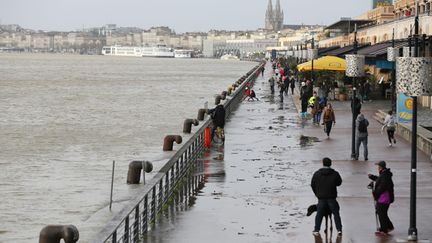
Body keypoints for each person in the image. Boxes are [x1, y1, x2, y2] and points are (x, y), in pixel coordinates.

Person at [311, 157, 343, 236]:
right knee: (336, 213)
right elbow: (339, 183)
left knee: (319, 214)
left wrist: (317, 193)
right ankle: (339, 230)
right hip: (332, 197)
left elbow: (312, 184)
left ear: (323, 163)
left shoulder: (317, 173)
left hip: (321, 198)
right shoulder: (335, 173)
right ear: (330, 164)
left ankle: (316, 229)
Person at [368, 161, 394, 235]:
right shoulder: (384, 174)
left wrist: (375, 193)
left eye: (378, 166)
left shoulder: (384, 175)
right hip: (384, 197)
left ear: (380, 168)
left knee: (381, 213)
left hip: (384, 198)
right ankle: (388, 226)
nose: (377, 168)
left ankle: (384, 230)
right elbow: (379, 179)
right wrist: (372, 177)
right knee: (382, 213)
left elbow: (382, 187)